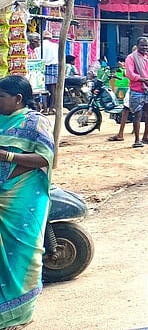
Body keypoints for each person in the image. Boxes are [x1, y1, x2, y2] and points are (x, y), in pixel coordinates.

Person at [0, 76, 55, 330]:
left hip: (23, 197)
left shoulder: (36, 122)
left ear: (18, 99)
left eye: (1, 97)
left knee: (23, 252)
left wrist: (6, 155)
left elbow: (45, 158)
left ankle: (20, 313)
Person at [124, 37, 148, 148]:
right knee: (137, 115)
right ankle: (137, 140)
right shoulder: (131, 58)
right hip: (137, 90)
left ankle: (145, 137)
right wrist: (144, 79)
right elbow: (129, 73)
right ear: (137, 45)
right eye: (142, 45)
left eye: (146, 45)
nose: (144, 47)